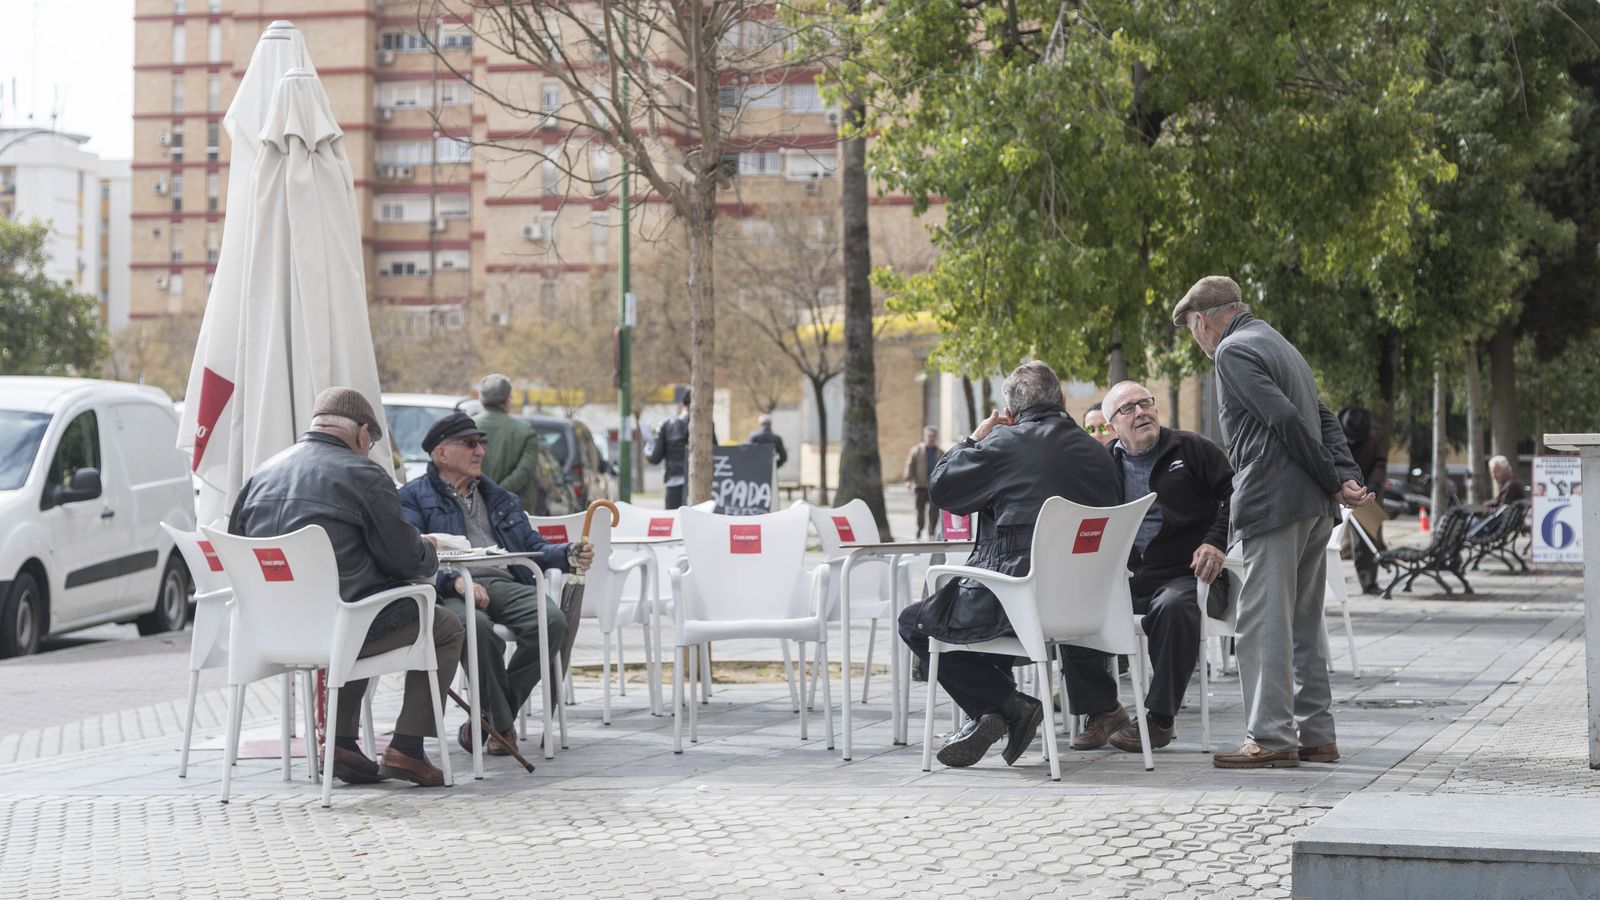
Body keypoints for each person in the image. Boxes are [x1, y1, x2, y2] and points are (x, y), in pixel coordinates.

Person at [1174, 275, 1371, 769]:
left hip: (1273, 502)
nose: (1196, 340)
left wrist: (1333, 479)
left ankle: (1270, 736)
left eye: (1192, 330)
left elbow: (1285, 421)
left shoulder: (1233, 351)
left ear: (1201, 321)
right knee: (1305, 625)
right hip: (1310, 509)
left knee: (1262, 623)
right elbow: (1323, 417)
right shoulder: (1279, 343)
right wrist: (1343, 476)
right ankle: (1318, 735)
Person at [229, 387, 462, 788]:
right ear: (362, 433)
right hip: (341, 628)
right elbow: (406, 560)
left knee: (356, 603)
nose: (369, 451)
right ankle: (407, 747)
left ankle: (339, 742)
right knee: (441, 625)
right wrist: (428, 549)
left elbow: (239, 543)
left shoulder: (261, 474)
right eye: (371, 443)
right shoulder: (365, 475)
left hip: (267, 631)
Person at [898, 361, 1121, 768]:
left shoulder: (1003, 445)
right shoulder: (1099, 454)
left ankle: (1007, 706)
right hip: (1089, 609)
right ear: (1063, 400)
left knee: (916, 622)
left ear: (1012, 413)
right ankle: (991, 713)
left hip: (1020, 606)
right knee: (984, 624)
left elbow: (943, 488)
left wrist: (975, 438)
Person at [399, 412, 593, 756]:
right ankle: (502, 727)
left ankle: (489, 718)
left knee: (551, 623)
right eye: (470, 444)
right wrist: (454, 583)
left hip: (503, 578)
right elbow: (412, 556)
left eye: (481, 444)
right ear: (441, 453)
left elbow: (531, 547)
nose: (480, 452)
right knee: (477, 628)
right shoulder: (412, 497)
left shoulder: (500, 497)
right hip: (448, 587)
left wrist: (567, 553)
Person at [1062, 381, 1234, 754]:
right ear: (1111, 425)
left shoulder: (1193, 449)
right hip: (1128, 580)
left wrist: (1216, 540)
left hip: (1188, 575)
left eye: (1145, 403)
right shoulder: (1104, 464)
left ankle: (1160, 719)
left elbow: (1237, 497)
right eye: (1127, 409)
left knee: (1174, 606)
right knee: (1071, 603)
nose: (1140, 412)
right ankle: (1104, 710)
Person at [473, 373, 542, 515]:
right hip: (515, 511)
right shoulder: (525, 431)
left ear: (480, 398)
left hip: (475, 508)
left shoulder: (467, 427)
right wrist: (496, 493)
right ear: (507, 399)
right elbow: (523, 472)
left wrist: (486, 494)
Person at [1338, 406, 1387, 595]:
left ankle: (1368, 582)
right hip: (1335, 488)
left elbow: (1379, 463)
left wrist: (1373, 484)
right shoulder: (1334, 434)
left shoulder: (1371, 441)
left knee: (1365, 540)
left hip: (1363, 491)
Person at [646, 388, 692, 509]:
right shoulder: (705, 425)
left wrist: (647, 449)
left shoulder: (666, 425)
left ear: (682, 403)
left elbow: (655, 458)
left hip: (674, 481)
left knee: (675, 521)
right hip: (696, 482)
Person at [902, 427, 944, 540]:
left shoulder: (940, 452)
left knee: (934, 511)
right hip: (920, 486)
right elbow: (910, 465)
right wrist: (908, 480)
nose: (931, 438)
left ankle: (932, 532)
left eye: (933, 436)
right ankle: (920, 529)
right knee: (919, 510)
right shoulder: (917, 450)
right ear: (925, 436)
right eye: (929, 436)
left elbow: (945, 468)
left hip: (934, 487)